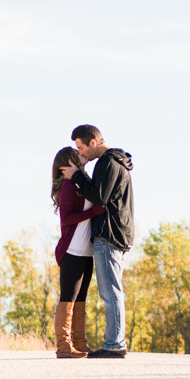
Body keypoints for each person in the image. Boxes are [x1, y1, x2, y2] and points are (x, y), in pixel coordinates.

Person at [68, 124, 134, 359]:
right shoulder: (116, 162)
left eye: (82, 147)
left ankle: (115, 345)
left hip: (109, 234)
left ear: (93, 143)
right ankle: (115, 342)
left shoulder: (107, 163)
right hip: (118, 233)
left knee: (111, 291)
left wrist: (75, 176)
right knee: (112, 290)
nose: (81, 153)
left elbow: (99, 198)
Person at [51, 146, 104, 358]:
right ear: (70, 161)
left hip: (87, 251)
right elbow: (67, 219)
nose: (81, 154)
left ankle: (80, 343)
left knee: (81, 298)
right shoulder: (68, 187)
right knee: (68, 297)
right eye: (78, 153)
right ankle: (64, 346)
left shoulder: (82, 183)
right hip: (72, 250)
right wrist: (94, 211)